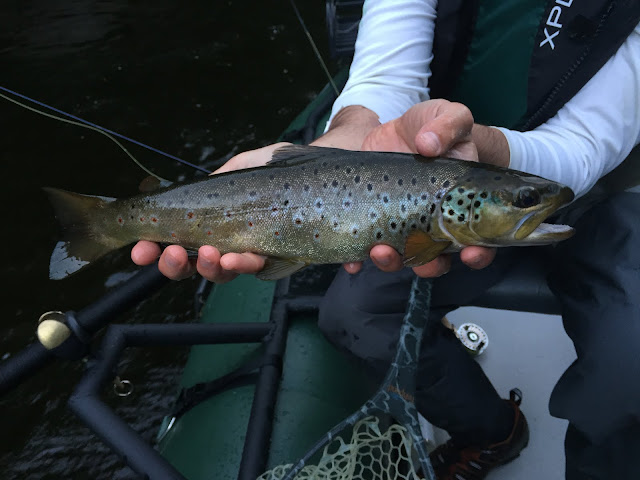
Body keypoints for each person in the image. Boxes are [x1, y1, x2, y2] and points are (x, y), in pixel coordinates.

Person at [133, 1, 640, 478]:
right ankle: (492, 432)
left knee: (629, 367)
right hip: (439, 178)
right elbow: (387, 74)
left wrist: (489, 152)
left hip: (604, 196)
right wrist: (358, 129)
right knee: (354, 316)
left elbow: (584, 145)